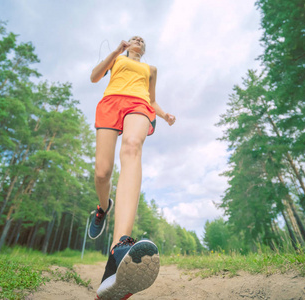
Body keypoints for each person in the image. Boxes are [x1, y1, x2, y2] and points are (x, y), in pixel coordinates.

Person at [88, 36, 176, 300]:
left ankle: (119, 249)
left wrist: (164, 114)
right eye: (133, 37)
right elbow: (94, 77)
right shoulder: (117, 59)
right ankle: (103, 207)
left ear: (144, 48)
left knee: (131, 147)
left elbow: (152, 99)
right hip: (111, 102)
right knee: (102, 173)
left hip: (139, 106)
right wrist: (117, 51)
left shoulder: (150, 70)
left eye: (141, 39)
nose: (137, 40)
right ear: (127, 45)